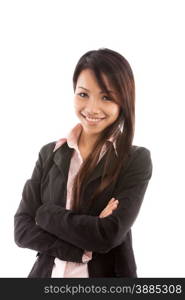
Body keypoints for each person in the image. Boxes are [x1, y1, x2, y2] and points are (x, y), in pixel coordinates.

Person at [14, 48, 153, 278]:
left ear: (124, 102)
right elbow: (22, 230)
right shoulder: (49, 153)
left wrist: (46, 214)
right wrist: (81, 245)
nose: (91, 108)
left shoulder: (135, 160)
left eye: (106, 97)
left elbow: (108, 235)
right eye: (83, 94)